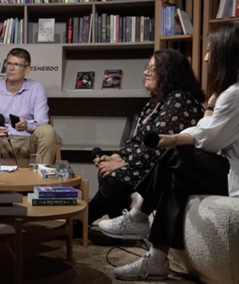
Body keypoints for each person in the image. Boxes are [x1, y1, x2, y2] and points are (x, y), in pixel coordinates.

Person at [104, 20, 239, 281]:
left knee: (181, 157)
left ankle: (138, 215)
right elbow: (208, 134)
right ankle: (156, 258)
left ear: (225, 54)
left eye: (210, 51)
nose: (206, 58)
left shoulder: (238, 94)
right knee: (178, 174)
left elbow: (208, 141)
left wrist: (178, 135)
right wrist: (182, 133)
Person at [83, 49, 205, 244]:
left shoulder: (180, 101)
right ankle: (116, 230)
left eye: (152, 69)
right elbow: (137, 140)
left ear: (170, 72)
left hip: (167, 168)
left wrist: (124, 164)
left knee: (115, 178)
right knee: (107, 170)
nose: (145, 73)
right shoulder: (154, 102)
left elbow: (159, 145)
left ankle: (82, 223)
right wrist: (117, 156)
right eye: (146, 68)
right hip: (147, 163)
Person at [0, 47, 58, 167]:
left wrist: (27, 125)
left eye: (17, 65)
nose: (11, 68)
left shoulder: (37, 88)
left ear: (27, 70)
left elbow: (42, 122)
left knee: (47, 131)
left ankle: (42, 175)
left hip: (27, 142)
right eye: (9, 63)